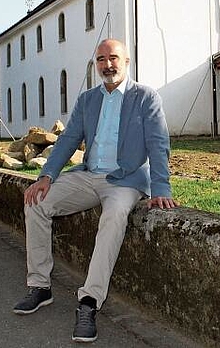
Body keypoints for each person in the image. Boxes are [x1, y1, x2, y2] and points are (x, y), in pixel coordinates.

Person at [13, 38, 178, 343]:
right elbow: (68, 139)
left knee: (114, 216)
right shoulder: (88, 99)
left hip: (126, 180)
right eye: (101, 59)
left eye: (113, 58)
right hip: (88, 176)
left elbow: (158, 143)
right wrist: (46, 175)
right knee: (36, 202)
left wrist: (160, 187)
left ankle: (89, 301)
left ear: (126, 62)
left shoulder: (146, 97)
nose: (107, 65)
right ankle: (40, 286)